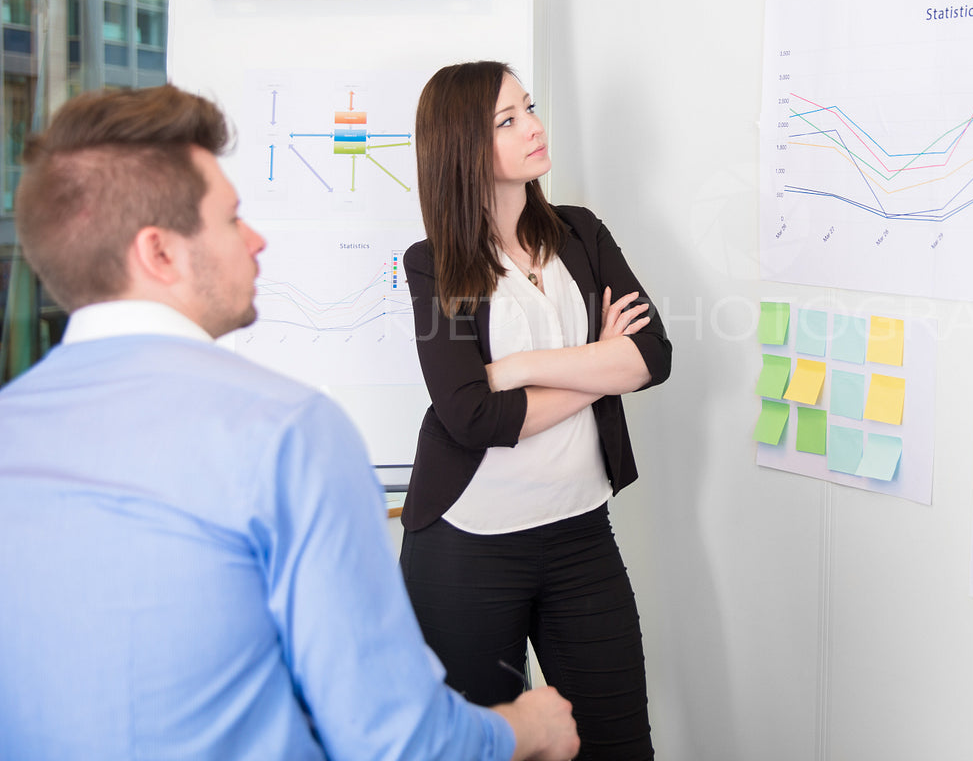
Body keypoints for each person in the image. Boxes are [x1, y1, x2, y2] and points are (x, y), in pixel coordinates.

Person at [0, 85, 578, 761]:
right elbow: (400, 741)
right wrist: (528, 729)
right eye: (232, 218)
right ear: (158, 253)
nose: (257, 238)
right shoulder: (285, 432)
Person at [399, 61, 671, 761]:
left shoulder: (580, 234)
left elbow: (652, 357)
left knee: (619, 747)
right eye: (508, 119)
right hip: (467, 547)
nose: (535, 126)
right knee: (480, 749)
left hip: (581, 533)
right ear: (462, 145)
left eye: (530, 108)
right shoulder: (434, 264)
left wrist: (516, 370)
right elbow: (473, 418)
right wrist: (599, 368)